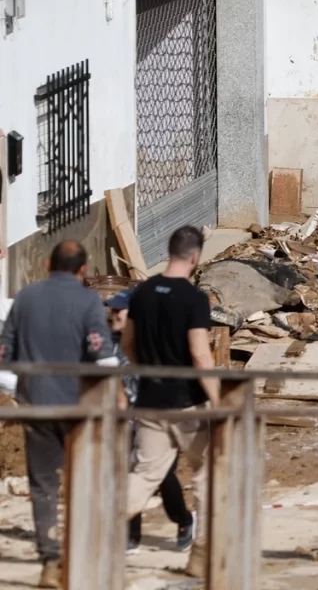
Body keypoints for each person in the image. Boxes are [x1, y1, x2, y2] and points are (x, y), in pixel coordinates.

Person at [0, 241, 118, 588]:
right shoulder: (88, 301)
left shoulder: (24, 298)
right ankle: (82, 552)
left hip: (37, 403)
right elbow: (104, 359)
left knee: (43, 484)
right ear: (83, 270)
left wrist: (18, 391)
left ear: (49, 262)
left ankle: (51, 558)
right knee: (84, 476)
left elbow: (6, 355)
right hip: (79, 406)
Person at [122, 226, 218, 580]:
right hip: (186, 404)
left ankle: (93, 534)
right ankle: (200, 556)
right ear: (195, 257)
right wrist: (218, 400)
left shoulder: (143, 292)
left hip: (149, 400)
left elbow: (128, 343)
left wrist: (146, 373)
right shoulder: (193, 299)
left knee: (145, 474)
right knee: (207, 475)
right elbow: (200, 356)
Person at [106, 289, 194, 555]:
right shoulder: (109, 342)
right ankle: (131, 536)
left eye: (119, 310)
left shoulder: (155, 344)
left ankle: (183, 520)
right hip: (123, 422)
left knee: (163, 477)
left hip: (157, 420)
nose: (113, 314)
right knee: (127, 475)